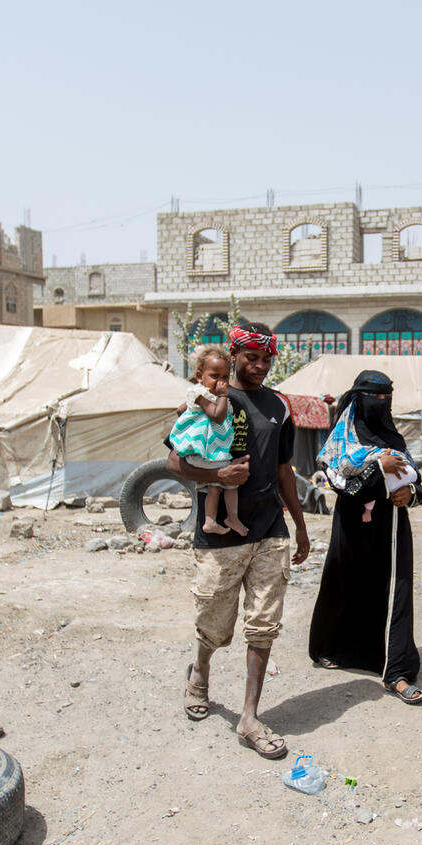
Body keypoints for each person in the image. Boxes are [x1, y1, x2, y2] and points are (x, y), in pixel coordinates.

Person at [166, 322, 309, 758]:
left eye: (267, 359)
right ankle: (200, 675)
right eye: (252, 358)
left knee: (263, 623)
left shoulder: (280, 406)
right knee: (214, 621)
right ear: (234, 355)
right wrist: (217, 476)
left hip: (270, 528)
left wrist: (301, 526)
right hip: (220, 533)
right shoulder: (205, 398)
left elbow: (285, 469)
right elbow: (174, 461)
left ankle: (249, 717)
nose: (261, 366)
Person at [309, 370, 422, 703]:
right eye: (374, 397)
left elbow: (416, 480)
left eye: (386, 397)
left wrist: (410, 494)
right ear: (359, 399)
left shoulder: (393, 437)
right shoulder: (341, 439)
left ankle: (397, 672)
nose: (381, 403)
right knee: (343, 583)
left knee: (396, 591)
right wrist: (378, 466)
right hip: (351, 526)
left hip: (390, 529)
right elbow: (340, 483)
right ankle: (331, 647)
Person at [168, 345, 247, 537]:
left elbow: (180, 409)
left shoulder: (202, 394)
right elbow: (218, 416)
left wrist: (189, 412)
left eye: (225, 377)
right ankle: (225, 518)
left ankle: (217, 519)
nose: (221, 382)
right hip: (203, 452)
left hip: (209, 450)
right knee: (228, 481)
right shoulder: (204, 395)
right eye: (215, 376)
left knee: (217, 486)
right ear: (199, 375)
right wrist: (221, 396)